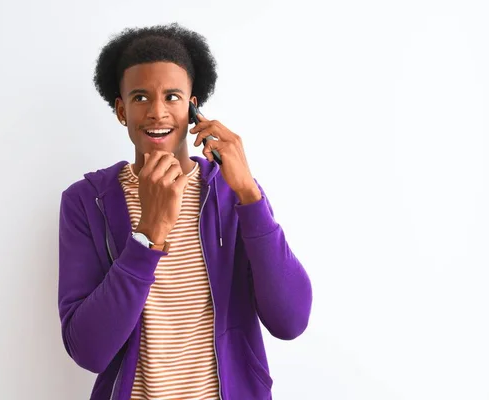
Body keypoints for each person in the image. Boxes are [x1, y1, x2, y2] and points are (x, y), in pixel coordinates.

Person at [57, 22, 312, 400]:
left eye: (172, 96)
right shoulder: (86, 201)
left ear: (193, 107)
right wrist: (147, 236)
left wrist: (249, 195)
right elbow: (88, 349)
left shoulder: (232, 191)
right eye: (141, 97)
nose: (157, 112)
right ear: (121, 110)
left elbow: (290, 321)